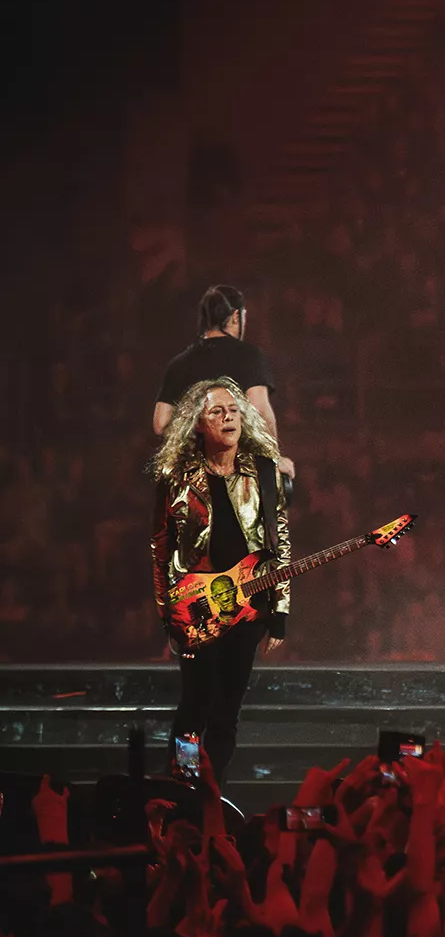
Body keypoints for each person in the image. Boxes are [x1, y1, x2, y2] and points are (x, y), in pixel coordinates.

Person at [150, 378, 291, 782]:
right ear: (198, 423)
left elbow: (280, 542)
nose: (228, 417)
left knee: (227, 710)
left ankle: (212, 789)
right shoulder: (176, 476)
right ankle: (183, 783)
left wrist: (280, 610)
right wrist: (168, 613)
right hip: (196, 607)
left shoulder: (264, 472)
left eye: (233, 410)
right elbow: (161, 546)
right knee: (195, 705)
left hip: (248, 609)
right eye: (217, 411)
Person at [154, 285, 294, 480]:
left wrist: (198, 432)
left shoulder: (179, 363)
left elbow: (160, 424)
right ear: (236, 317)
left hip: (192, 476)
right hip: (240, 473)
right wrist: (273, 460)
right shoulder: (250, 356)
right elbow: (260, 410)